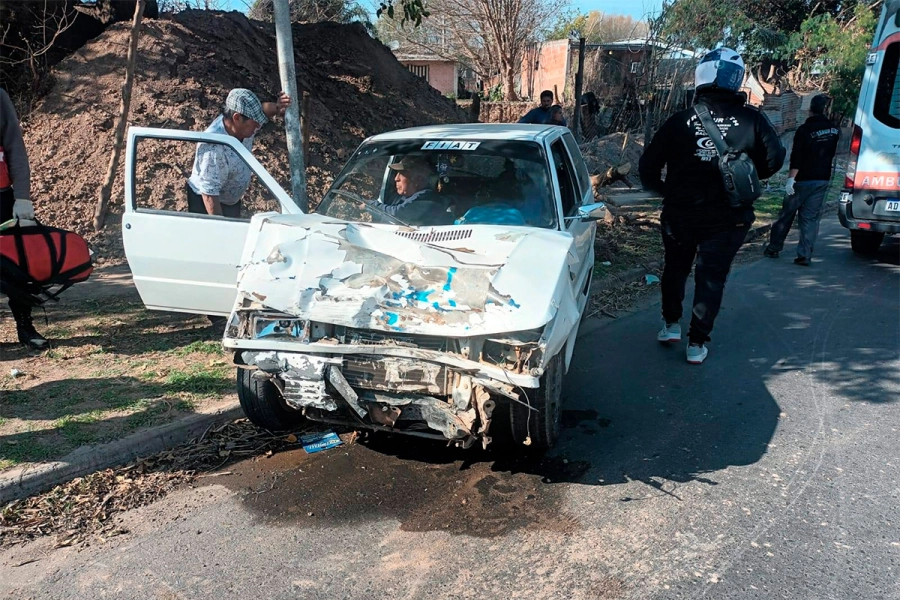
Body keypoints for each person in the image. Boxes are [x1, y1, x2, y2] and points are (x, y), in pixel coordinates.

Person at [639, 47, 785, 365]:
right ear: (736, 79)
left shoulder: (679, 121)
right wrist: (745, 174)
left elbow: (647, 167)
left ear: (700, 77)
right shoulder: (753, 120)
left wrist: (667, 191)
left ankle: (671, 325)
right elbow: (775, 159)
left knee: (675, 268)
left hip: (680, 214)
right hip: (729, 217)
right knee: (711, 277)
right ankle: (696, 344)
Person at [187, 88, 290, 217]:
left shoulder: (242, 126)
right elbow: (209, 193)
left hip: (229, 200)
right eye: (255, 122)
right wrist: (221, 225)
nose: (258, 126)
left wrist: (277, 106)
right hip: (208, 204)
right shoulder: (214, 148)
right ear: (237, 118)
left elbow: (264, 110)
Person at [764, 94, 840, 266]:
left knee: (786, 215)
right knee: (810, 218)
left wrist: (791, 179)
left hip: (802, 180)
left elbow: (797, 157)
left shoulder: (804, 130)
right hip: (822, 179)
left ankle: (774, 248)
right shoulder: (834, 130)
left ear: (810, 109)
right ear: (826, 110)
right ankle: (804, 255)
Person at [0, 87, 48, 350]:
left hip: (2, 199)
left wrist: (22, 197)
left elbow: (14, 146)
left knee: (16, 267)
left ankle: (25, 327)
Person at [384, 156, 452, 225]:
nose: (396, 178)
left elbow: (397, 214)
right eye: (397, 173)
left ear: (419, 179)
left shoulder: (426, 198)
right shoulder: (398, 197)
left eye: (402, 173)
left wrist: (373, 206)